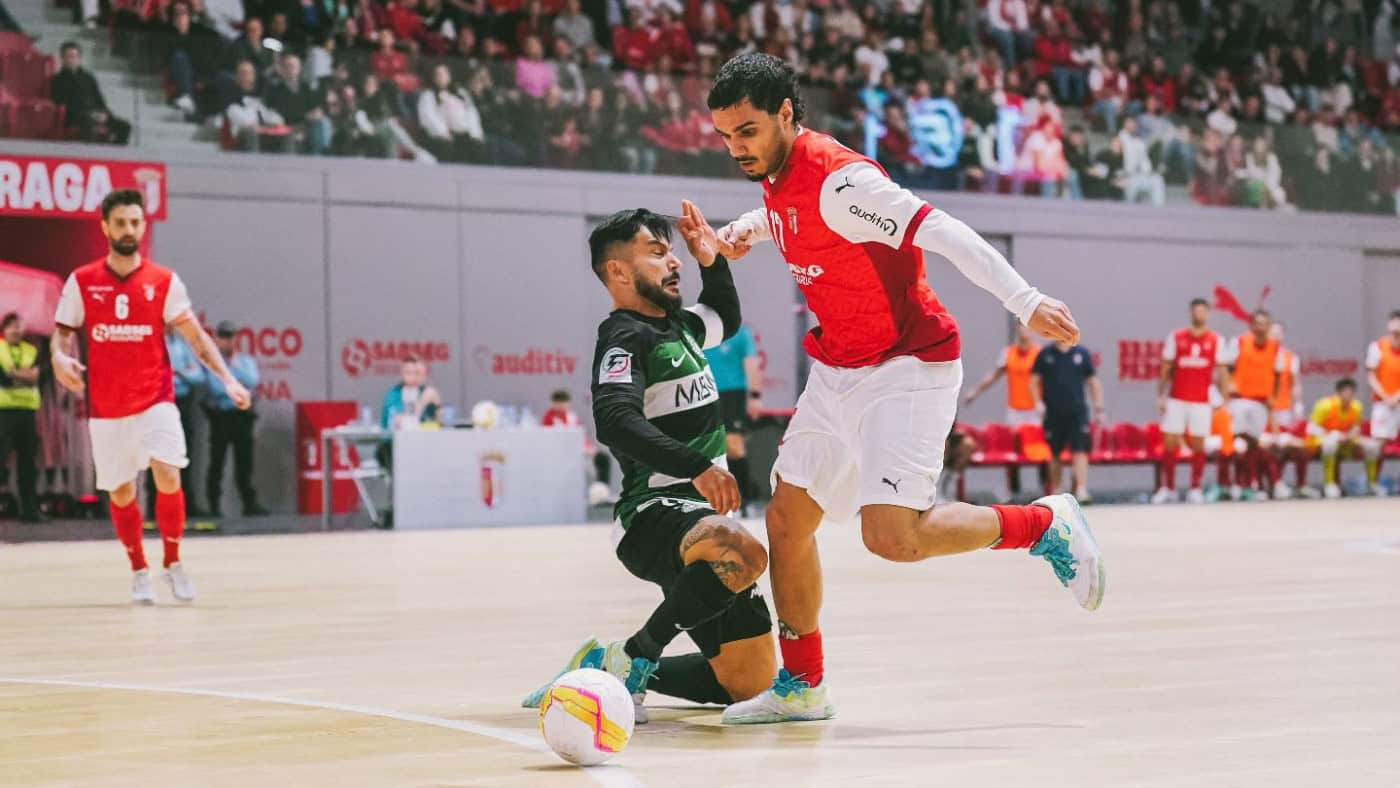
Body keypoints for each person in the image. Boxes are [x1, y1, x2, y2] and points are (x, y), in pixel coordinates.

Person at [700, 53, 1104, 724]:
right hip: (837, 369)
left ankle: (1044, 524)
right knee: (786, 522)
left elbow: (941, 230)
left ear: (785, 115)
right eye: (725, 136)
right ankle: (803, 686)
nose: (736, 148)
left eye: (746, 132)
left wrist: (1024, 299)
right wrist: (746, 229)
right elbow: (787, 214)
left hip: (907, 365)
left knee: (892, 538)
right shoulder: (777, 175)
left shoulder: (844, 181)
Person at [522, 205, 776, 724]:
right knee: (743, 549)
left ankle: (602, 669)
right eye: (657, 253)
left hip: (698, 516)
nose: (672, 262)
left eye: (672, 252)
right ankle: (636, 656)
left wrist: (711, 260)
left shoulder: (681, 327)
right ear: (617, 270)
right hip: (652, 513)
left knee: (748, 685)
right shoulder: (625, 336)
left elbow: (724, 316)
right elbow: (614, 419)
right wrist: (696, 466)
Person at [50, 190, 251, 604]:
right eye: (120, 222)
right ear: (105, 226)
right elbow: (63, 332)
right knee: (122, 493)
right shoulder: (83, 281)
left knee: (168, 472)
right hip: (107, 408)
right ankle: (139, 568)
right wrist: (57, 357)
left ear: (143, 226)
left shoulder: (163, 281)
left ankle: (173, 562)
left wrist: (228, 379)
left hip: (156, 399)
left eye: (135, 223)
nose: (129, 230)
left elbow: (195, 336)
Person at [1152, 298, 1229, 504]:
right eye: (1196, 311)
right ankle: (1168, 488)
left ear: (1208, 313)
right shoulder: (1176, 337)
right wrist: (1161, 395)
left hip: (1201, 400)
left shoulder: (1216, 340)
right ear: (1191, 313)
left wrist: (1225, 397)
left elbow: (1222, 371)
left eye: (1203, 311)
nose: (1200, 315)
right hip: (1177, 398)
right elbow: (1166, 367)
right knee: (1169, 443)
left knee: (1198, 444)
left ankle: (1195, 488)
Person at [963, 324, 1041, 497]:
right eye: (1021, 327)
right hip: (1015, 412)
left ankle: (1046, 491)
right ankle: (1013, 490)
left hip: (1035, 412)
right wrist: (975, 391)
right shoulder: (1008, 354)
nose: (1024, 331)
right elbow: (994, 375)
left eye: (1028, 328)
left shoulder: (1039, 354)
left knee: (1040, 452)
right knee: (1012, 453)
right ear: (1017, 330)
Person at [204, 321, 266, 517]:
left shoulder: (245, 361)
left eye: (231, 337)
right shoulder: (211, 362)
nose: (228, 341)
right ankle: (213, 505)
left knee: (244, 463)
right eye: (223, 337)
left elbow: (252, 380)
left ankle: (249, 503)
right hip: (221, 416)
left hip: (242, 417)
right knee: (217, 462)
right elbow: (214, 387)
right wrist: (235, 384)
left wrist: (230, 376)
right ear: (217, 339)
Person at [1030, 339, 1104, 500]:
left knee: (1080, 451)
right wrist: (1037, 403)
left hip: (1077, 412)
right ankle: (1057, 490)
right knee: (1054, 452)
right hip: (1053, 412)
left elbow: (1093, 382)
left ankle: (1081, 489)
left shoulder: (1082, 353)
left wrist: (1099, 407)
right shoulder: (1045, 354)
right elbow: (1034, 380)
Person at [144, 325, 205, 519]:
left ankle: (187, 505)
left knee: (183, 455)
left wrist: (179, 373)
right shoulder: (151, 343)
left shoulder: (183, 346)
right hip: (157, 402)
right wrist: (177, 372)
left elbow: (199, 376)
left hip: (182, 402)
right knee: (155, 456)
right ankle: (155, 506)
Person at [1221, 309, 1283, 501]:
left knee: (1255, 445)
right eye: (1257, 323)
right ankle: (1236, 484)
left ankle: (1255, 483)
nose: (1260, 327)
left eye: (1264, 324)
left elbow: (1278, 373)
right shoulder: (1239, 342)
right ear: (1251, 325)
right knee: (1238, 442)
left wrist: (1273, 396)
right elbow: (1224, 366)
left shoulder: (1275, 347)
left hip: (1261, 401)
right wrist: (1227, 388)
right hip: (1240, 399)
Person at [702, 323, 762, 514]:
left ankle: (744, 501)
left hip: (732, 395)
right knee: (707, 448)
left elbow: (751, 363)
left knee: (734, 446)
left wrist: (755, 396)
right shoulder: (701, 331)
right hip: (704, 392)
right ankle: (712, 502)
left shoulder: (741, 333)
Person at [0, 313, 43, 522]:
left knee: (28, 463)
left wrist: (14, 374)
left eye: (19, 326)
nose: (16, 330)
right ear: (4, 329)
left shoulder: (31, 350)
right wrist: (23, 376)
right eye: (11, 327)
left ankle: (30, 510)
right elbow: (4, 380)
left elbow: (37, 378)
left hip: (27, 413)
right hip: (3, 412)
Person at [1308, 379, 1382, 498]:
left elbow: (1356, 427)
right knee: (1329, 445)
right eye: (1345, 392)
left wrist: (1351, 434)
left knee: (1372, 446)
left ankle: (1371, 484)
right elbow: (1311, 428)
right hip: (1323, 441)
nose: (1348, 395)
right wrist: (1333, 434)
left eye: (1351, 392)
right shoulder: (1324, 405)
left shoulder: (1356, 406)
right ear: (1338, 393)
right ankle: (1329, 484)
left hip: (1346, 441)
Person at [51, 41, 132, 145]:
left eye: (74, 56)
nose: (71, 60)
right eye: (68, 56)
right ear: (62, 59)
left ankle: (114, 156)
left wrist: (105, 114)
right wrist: (90, 114)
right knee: (89, 123)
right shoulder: (57, 80)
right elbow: (59, 102)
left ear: (79, 59)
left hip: (96, 114)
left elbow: (100, 100)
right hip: (75, 116)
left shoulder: (88, 77)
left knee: (125, 127)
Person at [542, 389, 613, 503]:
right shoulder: (548, 419)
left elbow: (581, 437)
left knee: (602, 458)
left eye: (563, 403)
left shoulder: (572, 416)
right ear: (553, 403)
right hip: (562, 455)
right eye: (558, 403)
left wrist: (590, 449)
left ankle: (602, 493)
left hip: (580, 452)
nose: (561, 406)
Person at [1261, 321, 1305, 498]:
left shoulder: (1290, 358)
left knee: (1283, 448)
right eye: (1273, 333)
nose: (1276, 337)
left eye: (1279, 333)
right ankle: (1267, 484)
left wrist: (1298, 404)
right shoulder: (1261, 355)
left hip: (1283, 409)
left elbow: (1295, 384)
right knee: (1265, 447)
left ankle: (1278, 482)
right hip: (1263, 411)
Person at [1364, 310, 1400, 494]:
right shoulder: (1377, 346)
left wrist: (1398, 395)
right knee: (1378, 444)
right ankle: (1372, 482)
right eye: (1394, 322)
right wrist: (1386, 396)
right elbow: (1371, 375)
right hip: (1383, 404)